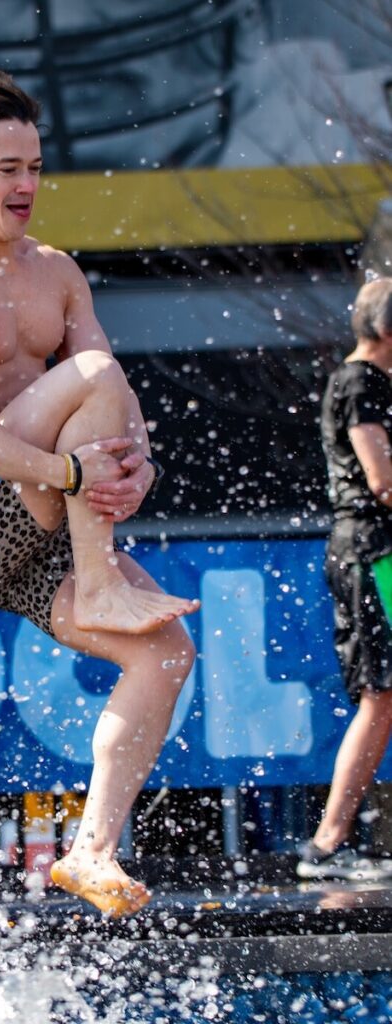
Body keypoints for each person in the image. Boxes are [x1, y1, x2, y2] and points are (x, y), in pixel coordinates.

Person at [0, 68, 198, 917]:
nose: (26, 186)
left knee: (163, 654)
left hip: (37, 517)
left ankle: (90, 851)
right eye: (5, 169)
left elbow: (113, 398)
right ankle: (97, 584)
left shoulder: (55, 272)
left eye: (34, 167)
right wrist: (72, 475)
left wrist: (136, 469)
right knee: (86, 376)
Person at [298, 277, 392, 881]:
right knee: (381, 697)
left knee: (383, 699)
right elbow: (382, 482)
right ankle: (327, 844)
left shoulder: (369, 382)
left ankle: (330, 842)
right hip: (372, 553)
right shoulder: (361, 383)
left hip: (375, 551)